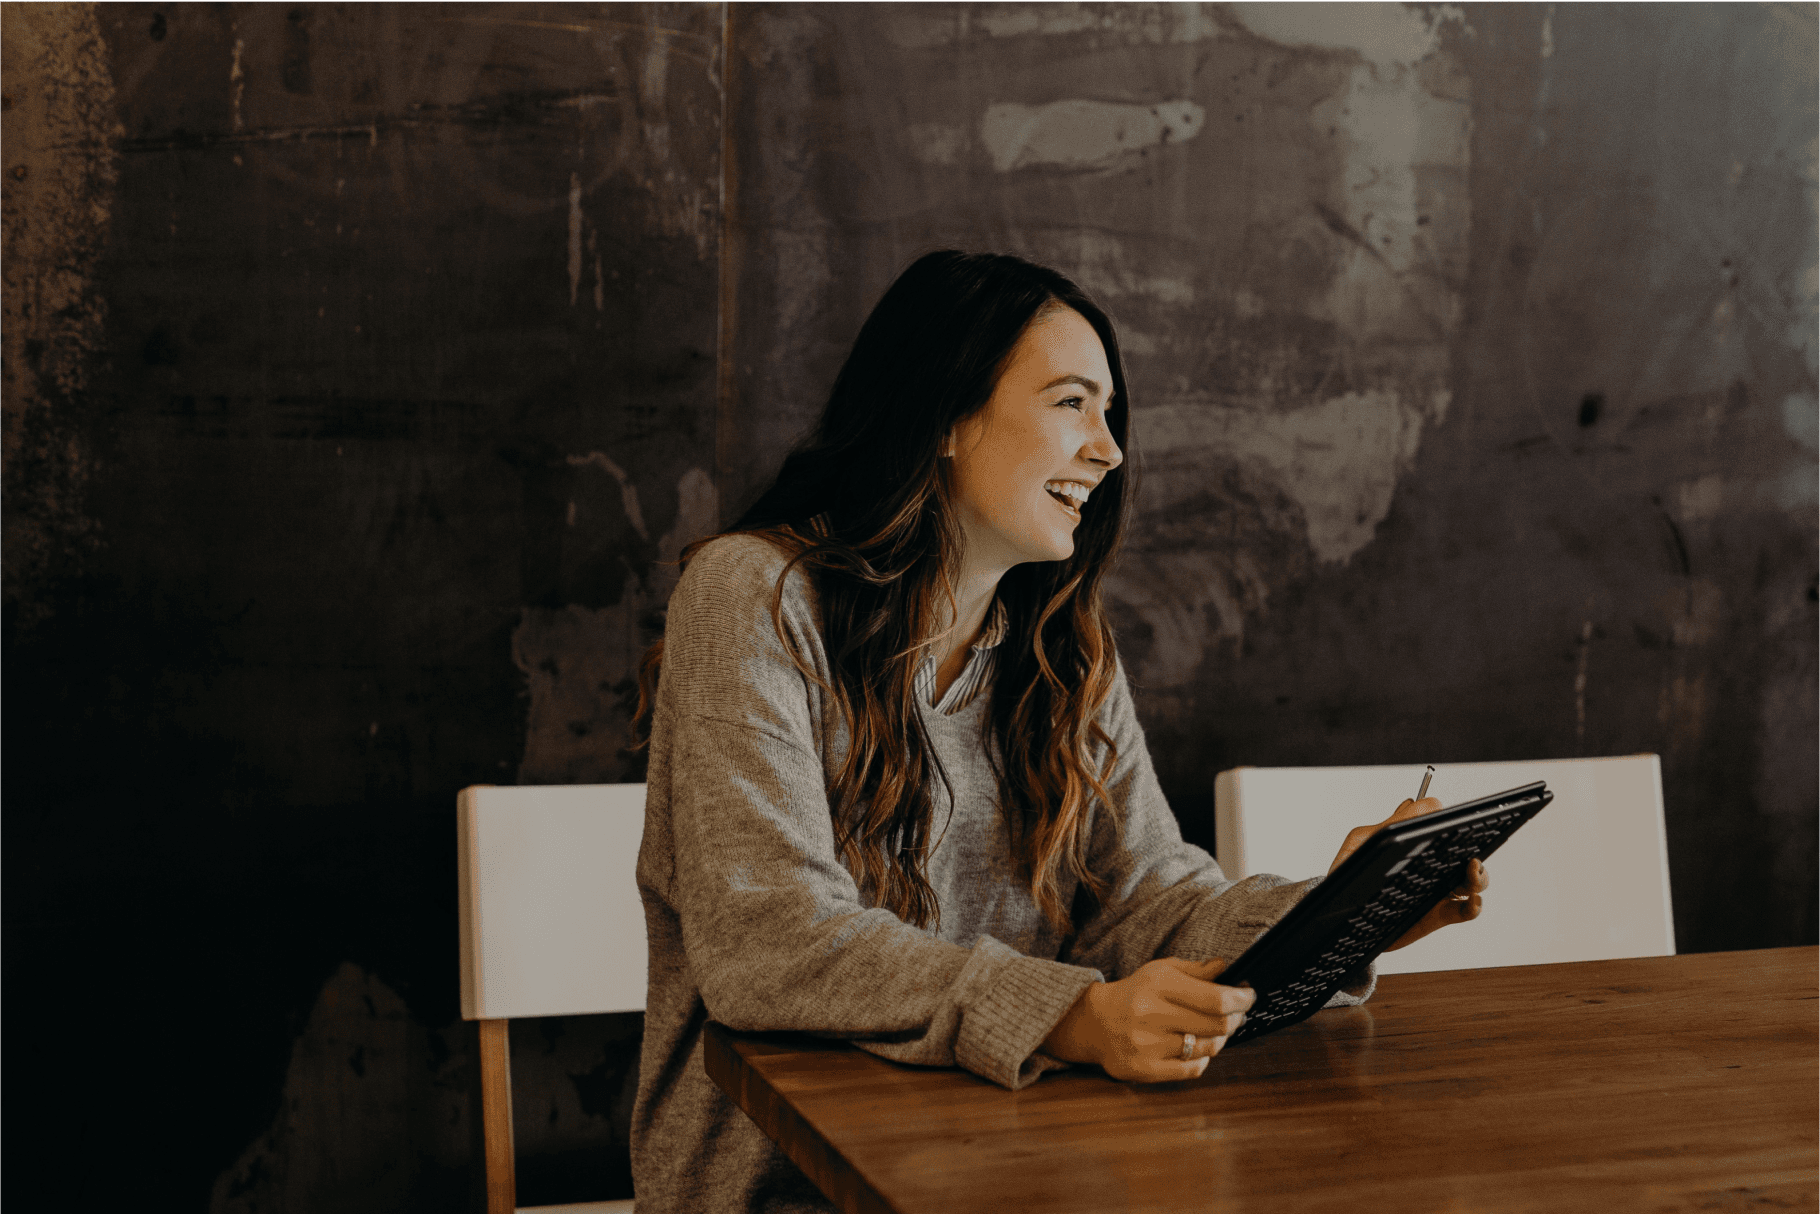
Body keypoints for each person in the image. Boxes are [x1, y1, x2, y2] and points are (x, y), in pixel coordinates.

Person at [627, 250, 1489, 1214]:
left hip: (1017, 1165)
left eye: (1110, 414)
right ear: (946, 416)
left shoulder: (1063, 649)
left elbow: (1147, 905)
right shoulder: (755, 596)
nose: (1110, 449)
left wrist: (1340, 914)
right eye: (1073, 402)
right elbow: (772, 943)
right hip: (788, 1189)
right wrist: (1075, 1016)